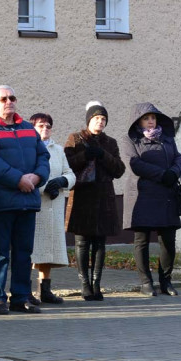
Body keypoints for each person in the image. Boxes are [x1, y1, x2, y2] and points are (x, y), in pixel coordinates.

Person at [0, 85, 50, 315]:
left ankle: (20, 297)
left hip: (27, 201)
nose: (9, 101)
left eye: (12, 97)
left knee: (23, 252)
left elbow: (43, 156)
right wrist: (18, 179)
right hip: (2, 202)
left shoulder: (29, 129)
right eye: (3, 98)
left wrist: (37, 177)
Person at [120, 103, 181, 297]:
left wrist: (173, 173)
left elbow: (178, 158)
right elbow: (135, 164)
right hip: (143, 195)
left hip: (166, 195)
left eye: (153, 118)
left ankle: (166, 281)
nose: (151, 121)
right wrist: (161, 175)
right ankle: (146, 282)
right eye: (146, 118)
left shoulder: (167, 138)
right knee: (142, 240)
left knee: (168, 241)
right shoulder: (130, 140)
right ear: (138, 121)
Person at [64, 102, 125, 301]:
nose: (100, 122)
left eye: (103, 119)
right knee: (82, 242)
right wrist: (85, 155)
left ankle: (97, 284)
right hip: (82, 196)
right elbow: (68, 165)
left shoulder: (110, 142)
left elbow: (119, 169)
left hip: (104, 197)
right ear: (89, 120)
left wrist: (103, 155)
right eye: (97, 118)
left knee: (100, 243)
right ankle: (85, 285)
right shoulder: (75, 138)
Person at [29, 113, 75, 305]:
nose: (45, 129)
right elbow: (25, 174)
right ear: (33, 128)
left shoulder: (57, 150)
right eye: (41, 126)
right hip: (36, 204)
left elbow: (69, 173)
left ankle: (45, 290)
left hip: (54, 206)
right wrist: (44, 187)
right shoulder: (28, 148)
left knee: (48, 250)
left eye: (48, 126)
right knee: (32, 249)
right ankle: (25, 290)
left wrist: (61, 182)